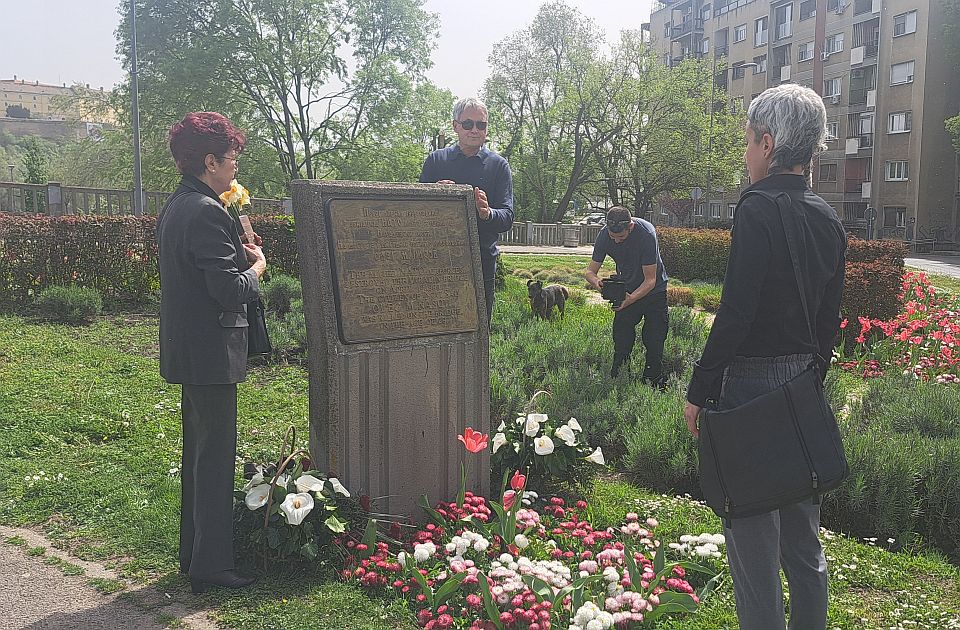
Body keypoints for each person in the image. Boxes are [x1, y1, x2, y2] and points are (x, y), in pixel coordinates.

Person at [684, 84, 846, 630]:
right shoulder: (827, 216)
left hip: (749, 387)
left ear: (769, 144)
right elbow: (828, 319)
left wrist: (701, 389)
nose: (746, 152)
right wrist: (810, 376)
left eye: (749, 141)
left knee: (752, 545)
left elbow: (735, 313)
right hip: (801, 383)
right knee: (804, 543)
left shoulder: (755, 209)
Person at [158, 112, 266, 594]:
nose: (235, 164)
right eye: (231, 157)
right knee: (215, 459)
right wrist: (257, 267)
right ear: (209, 161)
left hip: (190, 350)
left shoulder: (179, 203)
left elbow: (203, 272)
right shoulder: (205, 210)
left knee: (200, 457)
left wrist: (238, 253)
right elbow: (227, 291)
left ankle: (194, 554)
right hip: (210, 354)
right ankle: (212, 566)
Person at [419, 97, 514, 325]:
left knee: (477, 330)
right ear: (455, 126)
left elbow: (507, 217)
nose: (474, 130)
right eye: (467, 124)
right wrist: (433, 195)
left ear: (486, 128)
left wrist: (487, 212)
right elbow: (415, 212)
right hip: (436, 261)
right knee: (436, 327)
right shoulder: (435, 161)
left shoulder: (498, 166)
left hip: (480, 263)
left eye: (480, 125)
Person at [585, 206, 669, 383]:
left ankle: (653, 379)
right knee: (622, 337)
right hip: (627, 288)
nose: (616, 241)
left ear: (630, 227)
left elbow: (650, 281)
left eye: (621, 237)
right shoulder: (603, 235)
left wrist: (630, 299)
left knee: (654, 338)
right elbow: (590, 272)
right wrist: (599, 284)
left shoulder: (646, 234)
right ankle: (620, 376)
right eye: (612, 237)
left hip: (655, 291)